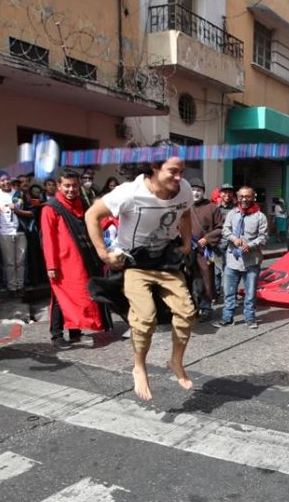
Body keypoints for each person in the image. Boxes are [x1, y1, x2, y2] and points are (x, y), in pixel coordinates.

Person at [84, 150, 197, 401]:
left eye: (182, 172)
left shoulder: (185, 189)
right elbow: (92, 214)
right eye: (173, 171)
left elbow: (186, 213)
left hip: (166, 261)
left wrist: (187, 243)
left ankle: (176, 362)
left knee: (187, 313)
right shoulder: (129, 193)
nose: (179, 177)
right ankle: (139, 366)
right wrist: (104, 254)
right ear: (155, 167)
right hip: (136, 263)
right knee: (145, 318)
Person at [42, 171, 108, 348]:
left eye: (74, 186)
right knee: (59, 297)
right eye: (67, 186)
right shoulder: (50, 208)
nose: (71, 189)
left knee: (79, 295)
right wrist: (51, 265)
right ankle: (56, 335)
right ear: (59, 186)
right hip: (63, 262)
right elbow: (48, 240)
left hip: (81, 258)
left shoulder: (81, 203)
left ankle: (75, 331)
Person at [215, 186, 269, 329]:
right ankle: (227, 318)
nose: (244, 199)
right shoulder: (232, 214)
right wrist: (233, 238)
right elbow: (225, 230)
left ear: (253, 198)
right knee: (229, 292)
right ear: (237, 198)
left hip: (251, 261)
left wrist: (250, 245)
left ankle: (250, 318)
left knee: (250, 293)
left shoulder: (260, 216)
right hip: (233, 260)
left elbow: (263, 237)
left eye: (247, 196)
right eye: (241, 196)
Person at [0, 171, 32, 296]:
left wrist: (17, 210)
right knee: (9, 262)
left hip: (20, 231)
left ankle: (20, 286)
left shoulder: (20, 194)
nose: (5, 182)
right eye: (2, 180)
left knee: (21, 262)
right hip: (3, 233)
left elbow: (31, 212)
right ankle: (12, 288)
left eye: (7, 179)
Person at [188, 179, 223, 322]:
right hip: (187, 251)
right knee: (189, 279)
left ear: (203, 192)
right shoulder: (184, 207)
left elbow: (221, 227)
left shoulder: (212, 208)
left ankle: (206, 308)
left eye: (199, 190)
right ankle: (192, 308)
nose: (195, 193)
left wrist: (207, 238)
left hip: (204, 252)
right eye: (193, 190)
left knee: (206, 279)